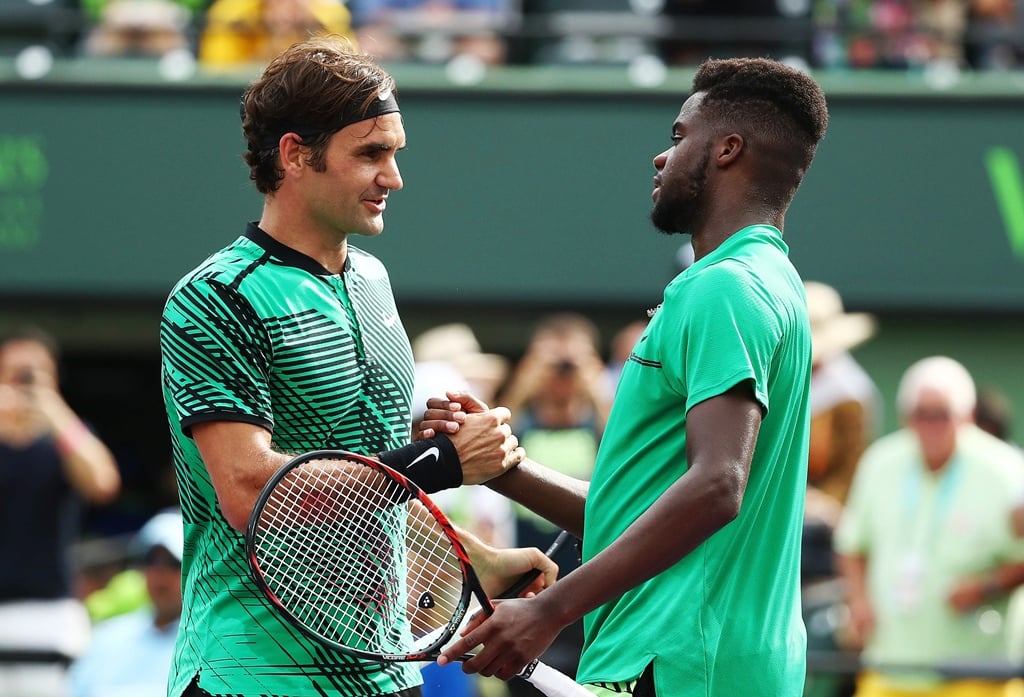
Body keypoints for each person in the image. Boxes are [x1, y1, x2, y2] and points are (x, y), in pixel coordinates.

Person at [159, 36, 555, 697]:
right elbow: (250, 490)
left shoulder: (373, 279)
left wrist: (472, 557)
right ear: (295, 154)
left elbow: (366, 478)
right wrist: (445, 462)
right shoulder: (216, 295)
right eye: (371, 153)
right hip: (253, 674)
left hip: (384, 672)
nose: (393, 177)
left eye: (394, 153)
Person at [425, 56, 830, 695]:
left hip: (681, 665)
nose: (660, 158)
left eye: (677, 138)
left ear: (727, 150)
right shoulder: (769, 282)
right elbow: (644, 513)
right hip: (712, 663)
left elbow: (716, 487)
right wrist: (503, 467)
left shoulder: (724, 289)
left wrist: (550, 610)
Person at [834, 356, 1024, 697]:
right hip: (890, 667)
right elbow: (851, 544)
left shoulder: (1007, 470)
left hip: (976, 675)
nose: (931, 426)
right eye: (922, 414)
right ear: (906, 417)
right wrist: (858, 600)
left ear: (967, 416)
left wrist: (986, 586)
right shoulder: (880, 462)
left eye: (942, 415)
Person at [0, 326, 121, 697]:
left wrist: (50, 407)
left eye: (36, 373)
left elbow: (103, 483)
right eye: (16, 372)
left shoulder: (68, 438)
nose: (25, 383)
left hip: (50, 610)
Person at [69, 508, 184, 697]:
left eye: (173, 563)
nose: (160, 575)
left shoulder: (213, 647)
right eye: (151, 561)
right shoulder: (105, 640)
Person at [198, 0, 355, 71]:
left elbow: (349, 67)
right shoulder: (232, 13)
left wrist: (304, 32)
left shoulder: (327, 14)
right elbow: (218, 70)